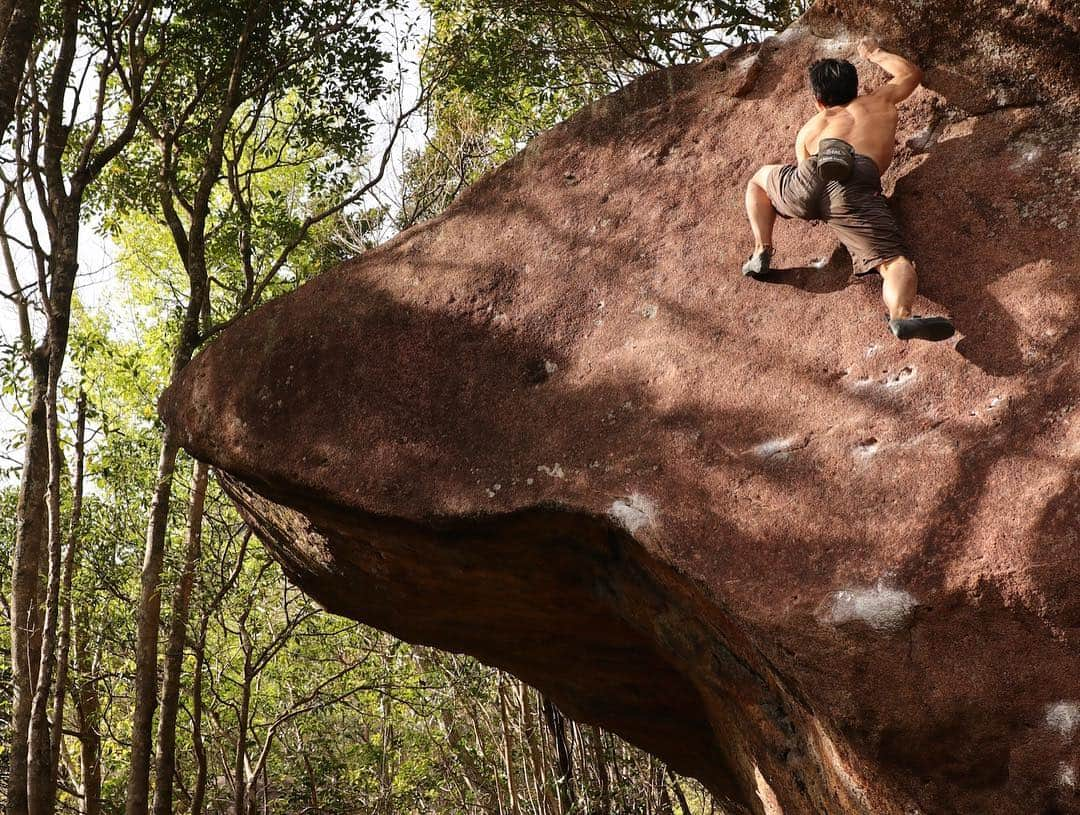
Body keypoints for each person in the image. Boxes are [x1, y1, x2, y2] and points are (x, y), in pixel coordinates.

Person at [741, 37, 955, 342]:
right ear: (855, 87)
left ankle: (762, 249)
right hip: (855, 182)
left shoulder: (812, 126)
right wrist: (874, 52)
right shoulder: (878, 102)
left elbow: (803, 164)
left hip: (810, 175)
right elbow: (910, 74)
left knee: (759, 178)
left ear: (818, 99)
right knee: (893, 262)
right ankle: (901, 317)